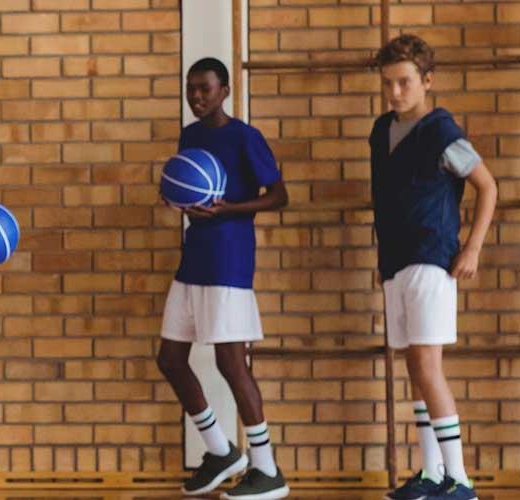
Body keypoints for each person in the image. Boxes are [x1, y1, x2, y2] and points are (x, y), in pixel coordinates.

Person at [156, 57, 292, 500]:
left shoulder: (245, 137)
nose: (197, 96)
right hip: (193, 259)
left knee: (230, 363)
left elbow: (279, 196)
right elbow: (182, 185)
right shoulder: (190, 136)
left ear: (225, 91)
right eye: (191, 89)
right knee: (171, 358)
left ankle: (267, 468)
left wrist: (228, 208)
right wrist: (176, 197)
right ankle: (219, 451)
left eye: (205, 89)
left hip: (229, 262)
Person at [370, 34, 497, 500]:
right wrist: (383, 261)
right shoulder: (381, 131)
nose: (395, 92)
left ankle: (460, 479)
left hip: (431, 259)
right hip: (396, 263)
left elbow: (488, 187)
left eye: (404, 82)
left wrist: (472, 248)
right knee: (414, 369)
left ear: (427, 81)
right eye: (388, 83)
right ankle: (431, 472)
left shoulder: (443, 132)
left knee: (428, 365)